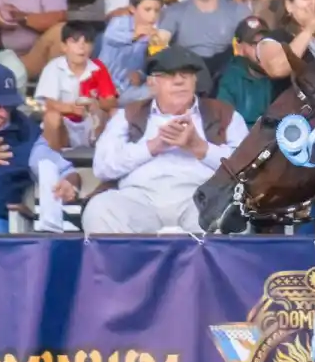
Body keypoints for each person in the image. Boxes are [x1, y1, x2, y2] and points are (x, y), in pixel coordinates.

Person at [83, 46, 247, 234]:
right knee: (100, 210)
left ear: (195, 80)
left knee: (230, 215)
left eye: (186, 74)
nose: (179, 81)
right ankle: (128, 265)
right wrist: (153, 146)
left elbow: (245, 170)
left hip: (201, 198)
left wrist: (199, 147)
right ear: (152, 83)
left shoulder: (223, 114)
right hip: (140, 199)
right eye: (169, 75)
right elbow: (103, 167)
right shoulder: (128, 115)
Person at [0, 61, 79, 233]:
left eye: (8, 106)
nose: (3, 113)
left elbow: (65, 171)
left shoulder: (26, 135)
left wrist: (69, 184)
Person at [35, 22, 118, 150]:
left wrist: (97, 104)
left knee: (114, 113)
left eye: (87, 42)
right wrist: (72, 108)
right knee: (52, 117)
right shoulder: (54, 67)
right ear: (64, 47)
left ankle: (105, 155)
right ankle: (55, 160)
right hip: (65, 126)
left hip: (91, 124)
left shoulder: (98, 68)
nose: (82, 47)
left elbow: (111, 101)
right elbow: (48, 104)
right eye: (75, 41)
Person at [100, 0, 170, 103]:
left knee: (161, 89)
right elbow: (111, 38)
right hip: (104, 85)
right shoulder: (119, 23)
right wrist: (136, 35)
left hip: (130, 89)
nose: (152, 15)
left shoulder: (156, 34)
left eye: (157, 10)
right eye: (147, 10)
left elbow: (155, 63)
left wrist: (140, 74)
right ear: (132, 9)